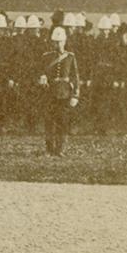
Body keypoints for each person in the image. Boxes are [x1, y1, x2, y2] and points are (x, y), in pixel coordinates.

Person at [41, 25, 81, 156]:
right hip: (49, 92)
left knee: (62, 122)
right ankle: (49, 149)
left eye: (60, 41)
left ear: (64, 41)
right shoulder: (46, 56)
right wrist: (42, 76)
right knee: (49, 122)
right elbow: (40, 71)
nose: (57, 44)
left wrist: (75, 95)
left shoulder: (70, 57)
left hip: (64, 93)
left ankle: (60, 149)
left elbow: (75, 77)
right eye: (55, 42)